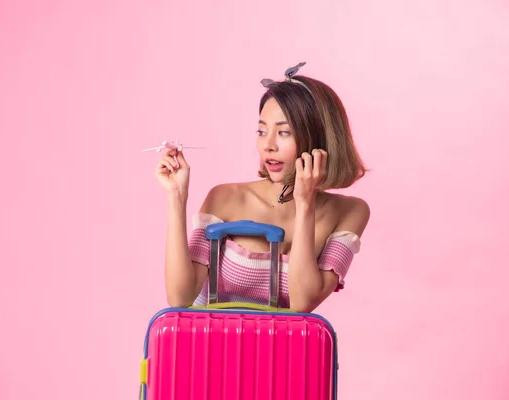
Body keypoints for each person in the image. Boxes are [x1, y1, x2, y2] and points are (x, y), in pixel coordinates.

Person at [154, 62, 370, 313]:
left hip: (279, 351)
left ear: (319, 139)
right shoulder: (225, 197)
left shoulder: (351, 212)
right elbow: (180, 297)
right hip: (206, 348)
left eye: (284, 133)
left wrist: (305, 203)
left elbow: (302, 303)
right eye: (261, 130)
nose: (267, 145)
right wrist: (177, 197)